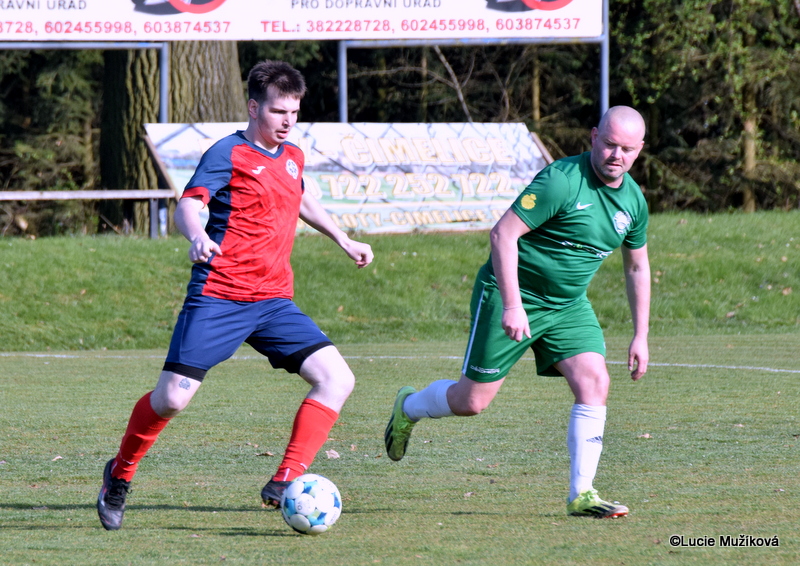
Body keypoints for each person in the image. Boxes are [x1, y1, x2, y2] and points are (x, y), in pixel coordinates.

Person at [97, 60, 374, 531]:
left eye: (295, 112)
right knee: (171, 399)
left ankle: (286, 479)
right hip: (220, 297)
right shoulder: (227, 153)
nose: (287, 121)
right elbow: (189, 204)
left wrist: (343, 239)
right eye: (278, 111)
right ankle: (119, 475)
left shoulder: (292, 155)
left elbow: (301, 197)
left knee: (337, 379)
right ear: (253, 107)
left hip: (274, 301)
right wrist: (197, 236)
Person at [384, 106, 650, 519]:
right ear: (594, 136)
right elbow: (503, 234)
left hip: (567, 306)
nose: (617, 155)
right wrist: (512, 304)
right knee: (471, 401)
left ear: (639, 150)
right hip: (511, 292)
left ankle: (582, 495)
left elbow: (636, 267)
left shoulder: (633, 202)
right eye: (610, 144)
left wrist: (640, 335)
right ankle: (409, 407)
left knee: (595, 381)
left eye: (627, 149)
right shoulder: (562, 180)